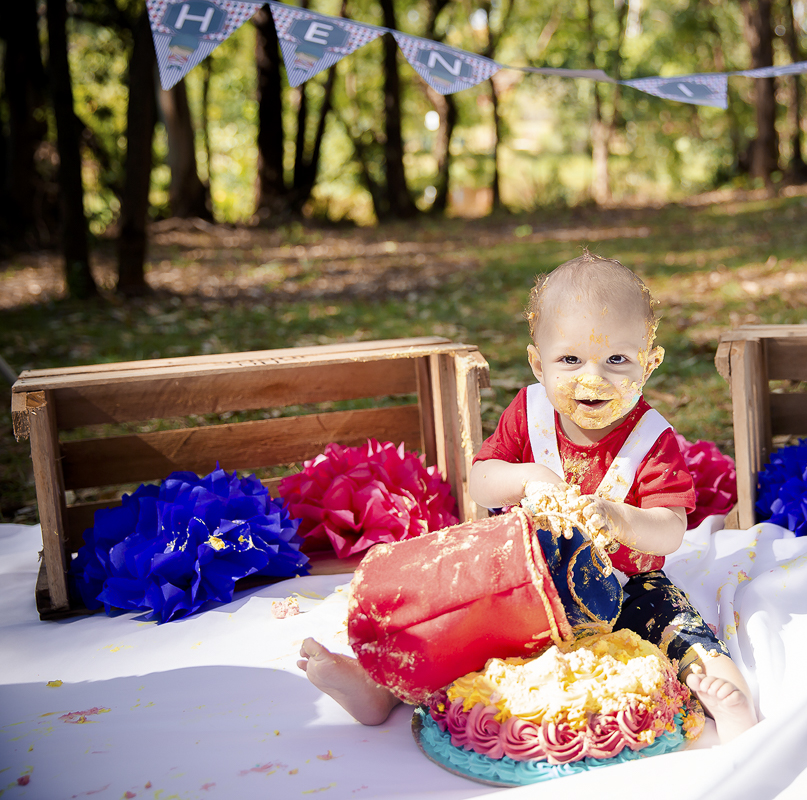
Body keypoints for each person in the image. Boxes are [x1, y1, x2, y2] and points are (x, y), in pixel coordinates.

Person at [299, 252, 757, 743]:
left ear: (650, 362)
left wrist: (618, 518)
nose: (593, 378)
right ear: (538, 363)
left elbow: (670, 527)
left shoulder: (651, 440)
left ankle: (726, 696)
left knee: (676, 623)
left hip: (625, 585)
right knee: (455, 622)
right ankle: (379, 688)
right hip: (521, 578)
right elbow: (481, 483)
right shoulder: (529, 414)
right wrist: (527, 477)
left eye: (617, 360)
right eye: (570, 360)